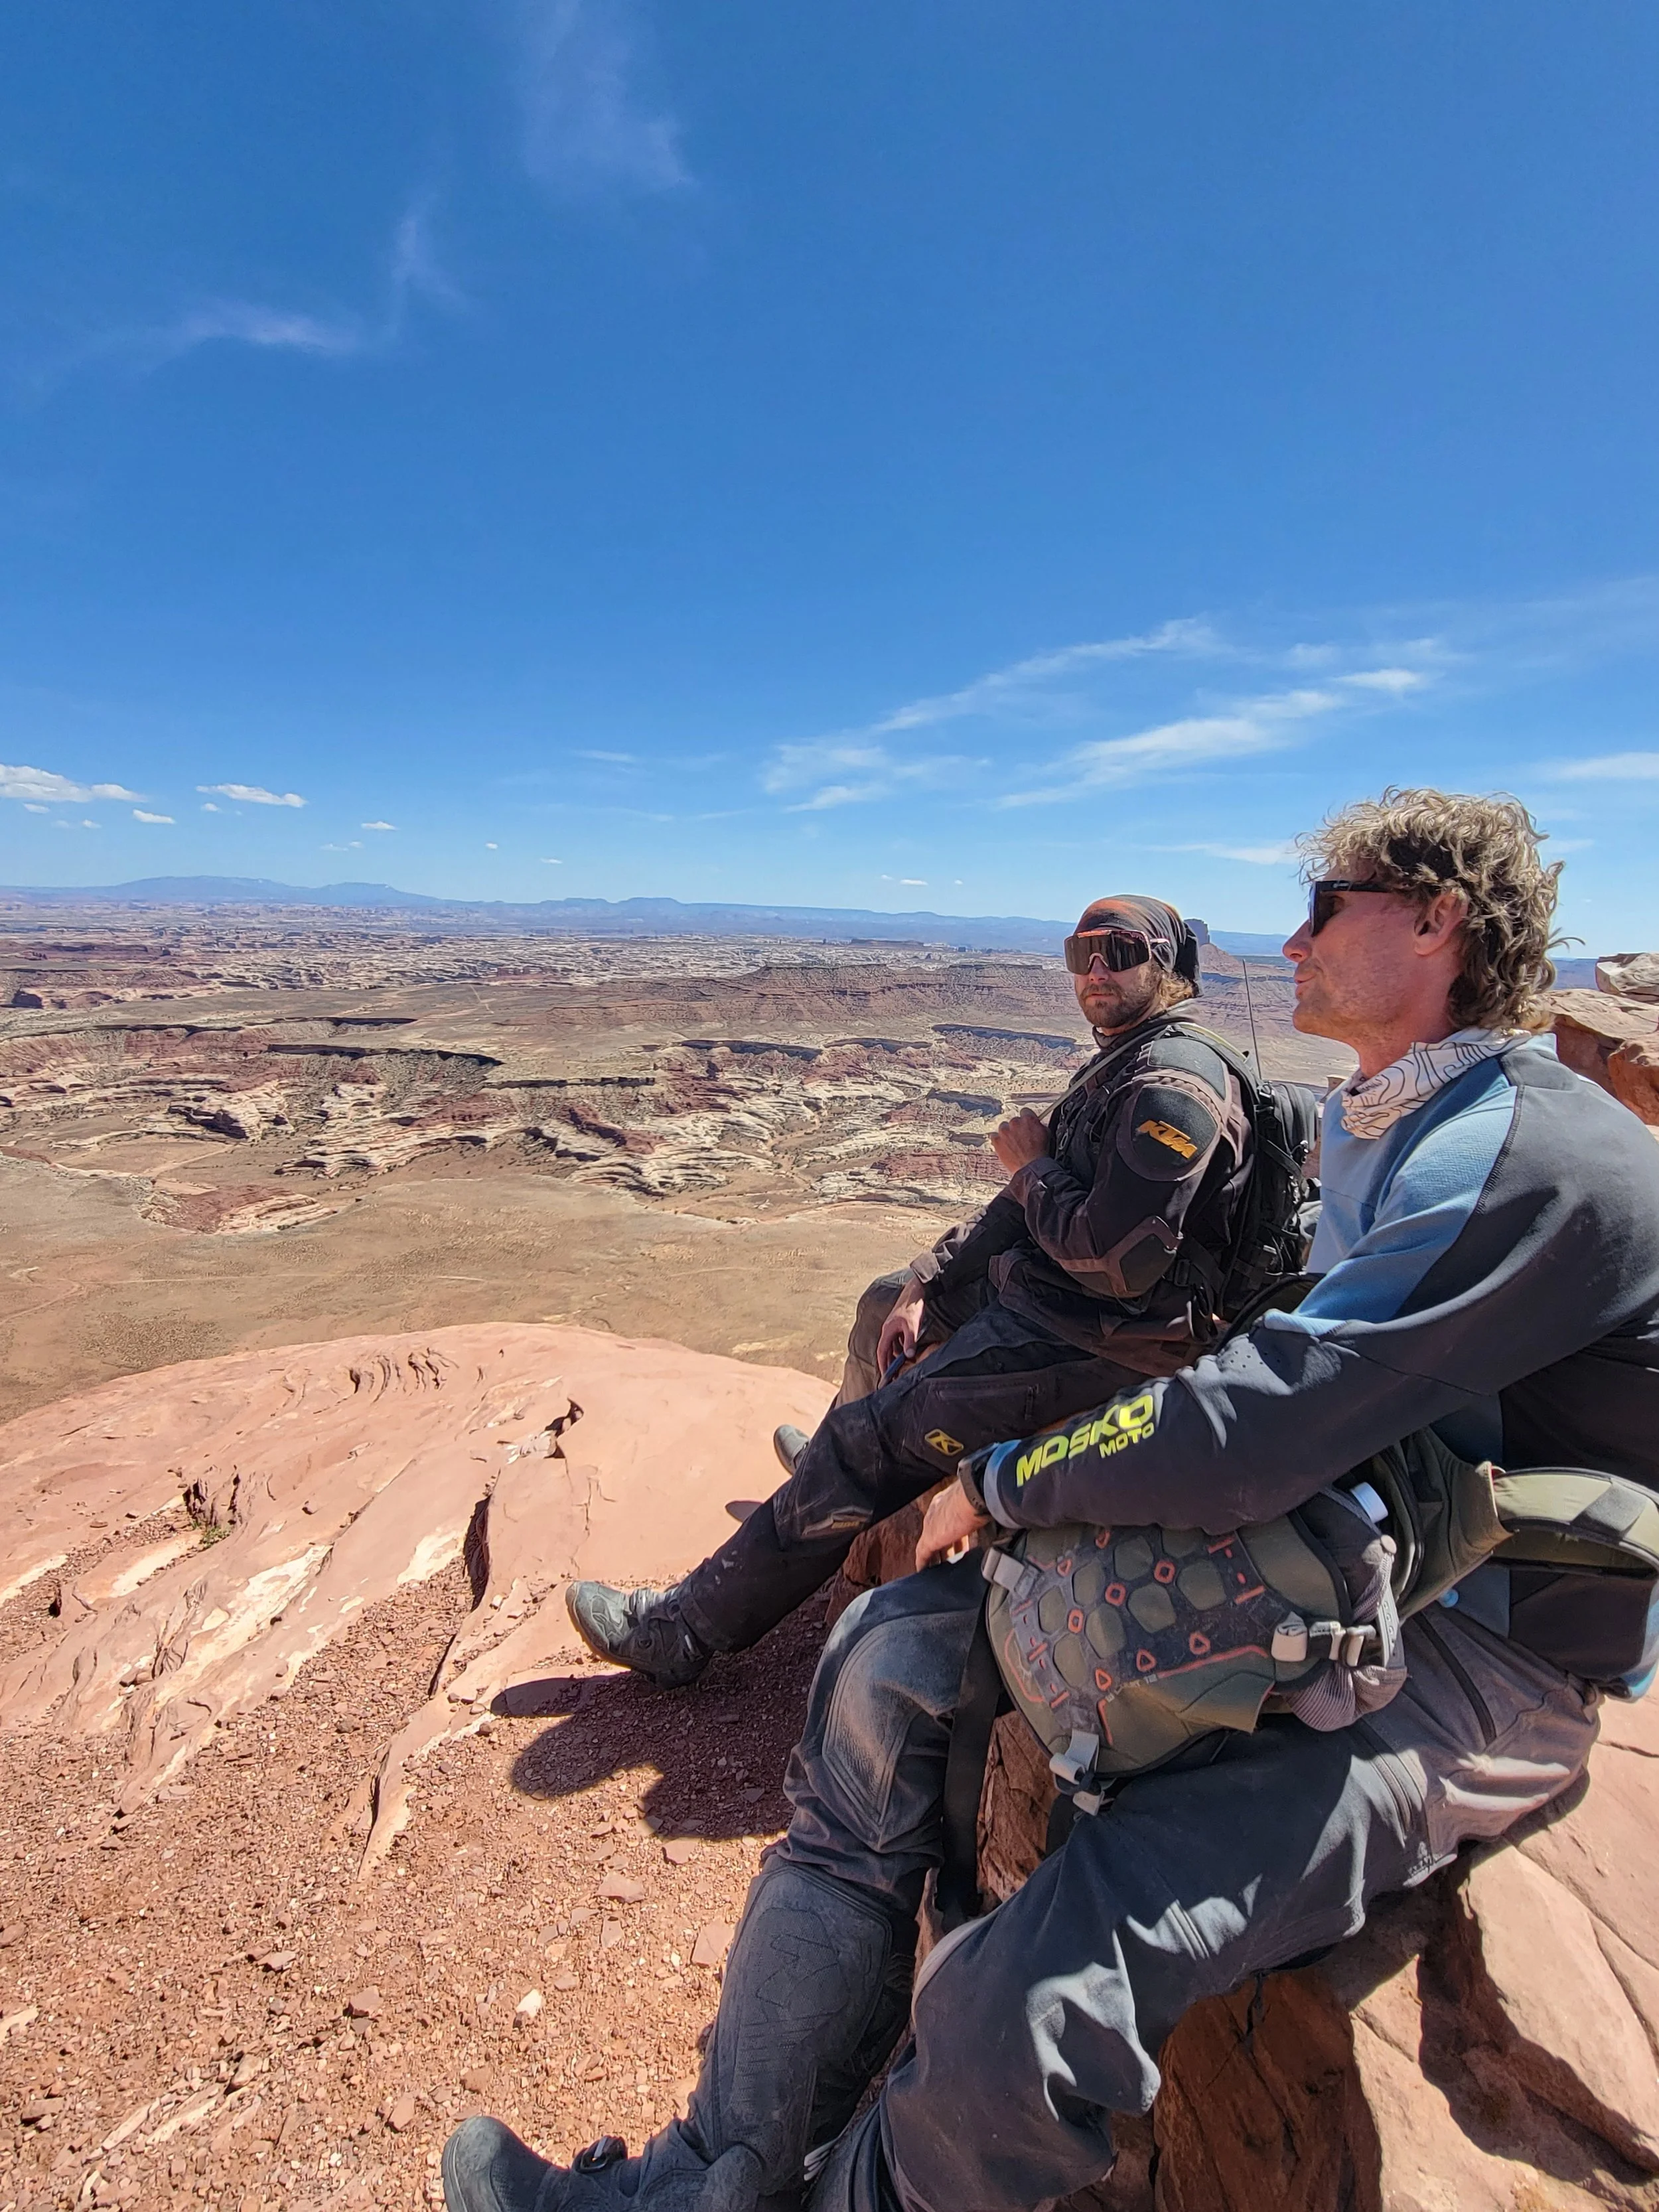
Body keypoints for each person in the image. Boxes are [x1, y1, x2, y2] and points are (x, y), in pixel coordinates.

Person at [443, 788, 1659, 2212]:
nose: (1293, 932)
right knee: (889, 1656)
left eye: (1328, 902)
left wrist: (1010, 1483)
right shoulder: (1398, 1116)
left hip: (1472, 1660)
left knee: (1031, 1985)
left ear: (1438, 918)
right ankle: (721, 2175)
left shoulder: (1516, 1155)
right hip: (1340, 1557)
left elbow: (1266, 1409)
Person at [566, 895, 1270, 1688]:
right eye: (1081, 954)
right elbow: (1026, 1212)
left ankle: (680, 1632)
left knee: (863, 1445)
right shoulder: (1129, 1058)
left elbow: (1117, 1264)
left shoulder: (1172, 1085)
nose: (1096, 971)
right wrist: (925, 1283)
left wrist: (1031, 1167)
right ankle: (828, 1480)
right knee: (880, 1304)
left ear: (1169, 965)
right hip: (1064, 1301)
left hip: (1105, 1338)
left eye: (1119, 952)